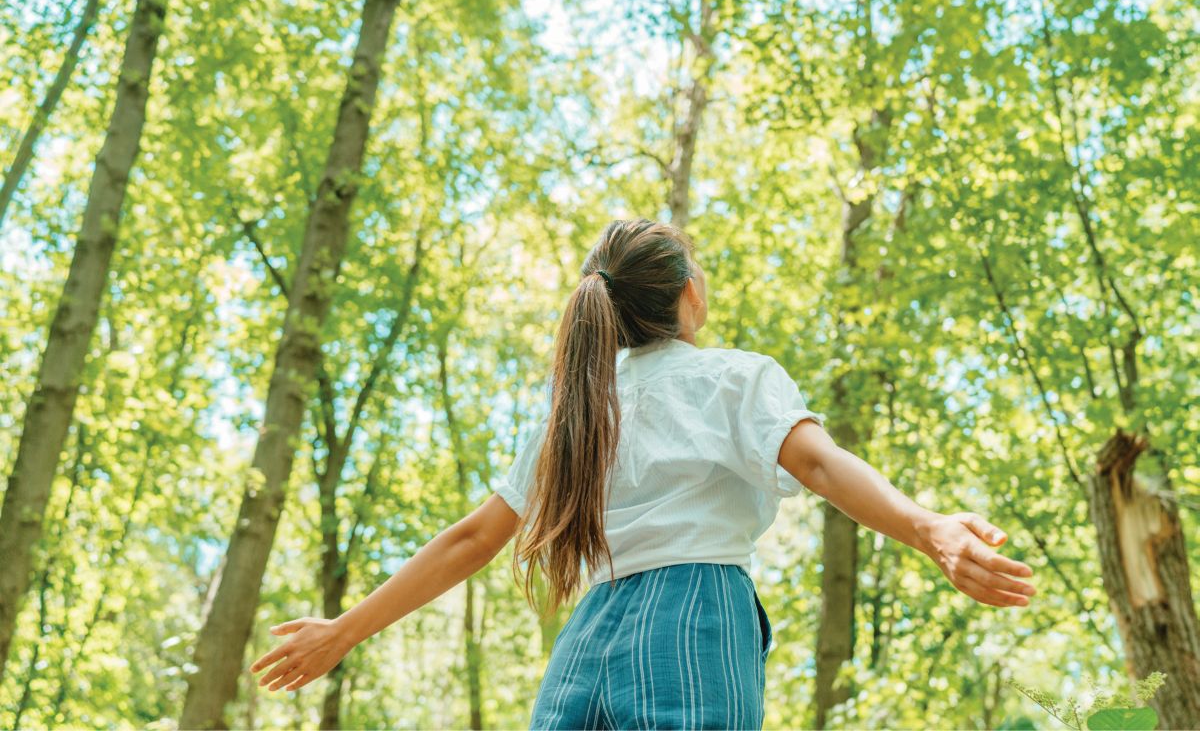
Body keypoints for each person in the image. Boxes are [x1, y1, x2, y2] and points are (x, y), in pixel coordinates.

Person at [249, 218, 1037, 729]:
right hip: (695, 614)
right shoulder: (732, 376)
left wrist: (343, 631)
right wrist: (928, 526)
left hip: (589, 635)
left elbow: (471, 539)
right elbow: (823, 468)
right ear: (689, 294)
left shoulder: (572, 412)